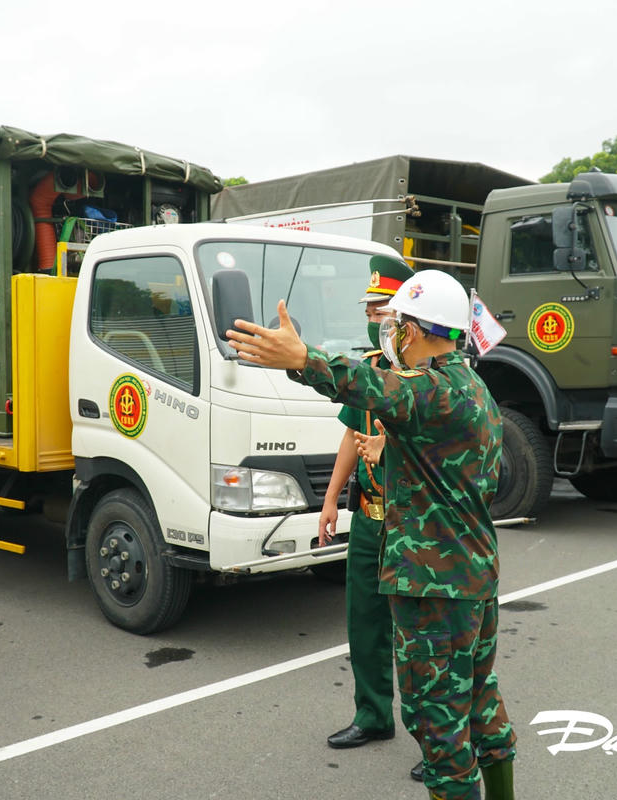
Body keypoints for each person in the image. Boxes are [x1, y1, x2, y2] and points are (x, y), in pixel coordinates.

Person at [227, 271, 515, 800]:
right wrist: (398, 451)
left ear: (415, 330)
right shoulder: (472, 386)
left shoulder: (432, 390)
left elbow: (367, 384)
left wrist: (302, 358)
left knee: (438, 727)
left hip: (435, 591)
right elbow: (465, 471)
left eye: (398, 323)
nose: (393, 332)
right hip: (472, 577)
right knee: (480, 707)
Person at [320, 256, 417, 776]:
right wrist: (331, 497)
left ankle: (440, 742)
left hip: (412, 525)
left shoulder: (428, 377)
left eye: (382, 310)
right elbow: (351, 436)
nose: (373, 318)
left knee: (420, 637)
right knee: (365, 623)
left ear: (404, 317)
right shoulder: (370, 370)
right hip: (368, 518)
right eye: (369, 310)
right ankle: (373, 715)